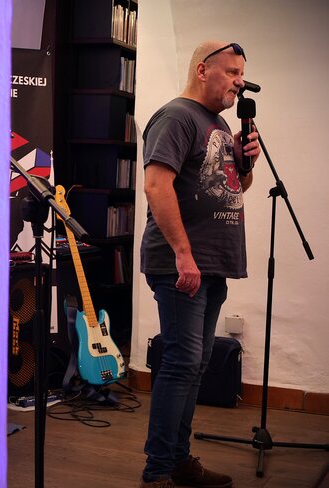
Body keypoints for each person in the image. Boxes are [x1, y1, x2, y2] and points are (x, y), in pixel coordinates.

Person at [139, 41, 261, 488]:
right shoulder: (176, 117)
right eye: (231, 72)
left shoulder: (220, 124)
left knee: (196, 365)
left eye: (241, 74)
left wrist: (246, 164)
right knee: (181, 363)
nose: (239, 82)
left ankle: (179, 460)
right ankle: (157, 471)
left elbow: (233, 188)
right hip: (181, 264)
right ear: (202, 70)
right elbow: (156, 185)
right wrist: (183, 254)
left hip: (211, 263)